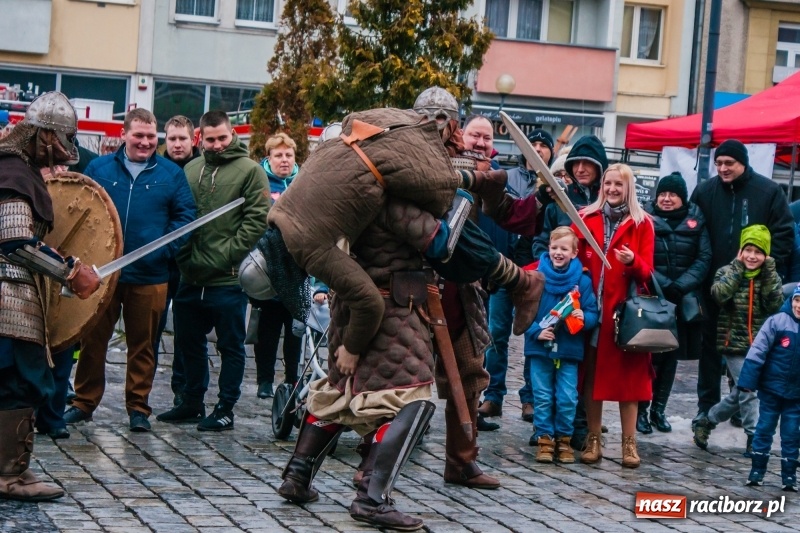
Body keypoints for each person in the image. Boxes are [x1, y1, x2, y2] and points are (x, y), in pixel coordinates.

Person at [64, 108, 196, 432]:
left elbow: (185, 217)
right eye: (139, 135)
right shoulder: (99, 168)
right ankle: (83, 402)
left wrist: (163, 251)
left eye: (151, 136)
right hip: (102, 273)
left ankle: (138, 408)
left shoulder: (170, 174)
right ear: (124, 134)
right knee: (93, 340)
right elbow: (83, 208)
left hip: (151, 276)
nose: (145, 142)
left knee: (143, 344)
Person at [0, 91, 102, 501]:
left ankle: (12, 468)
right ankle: (8, 474)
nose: (64, 148)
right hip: (8, 296)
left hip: (15, 294)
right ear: (43, 135)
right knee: (17, 383)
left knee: (17, 383)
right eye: (61, 138)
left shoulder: (17, 168)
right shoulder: (13, 172)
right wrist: (71, 271)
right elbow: (15, 241)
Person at [157, 111, 269, 431]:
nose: (217, 144)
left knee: (230, 346)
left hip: (228, 278)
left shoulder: (250, 171)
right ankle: (192, 401)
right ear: (201, 139)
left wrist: (227, 255)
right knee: (188, 342)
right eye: (211, 139)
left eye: (222, 138)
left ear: (232, 134)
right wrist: (182, 255)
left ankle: (225, 408)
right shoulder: (191, 169)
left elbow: (256, 221)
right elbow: (179, 215)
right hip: (191, 275)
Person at [691, 139, 794, 427]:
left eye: (729, 163)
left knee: (748, 350)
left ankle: (738, 407)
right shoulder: (705, 191)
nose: (723, 168)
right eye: (719, 163)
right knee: (710, 350)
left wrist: (765, 270)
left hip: (753, 291)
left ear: (743, 163)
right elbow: (693, 233)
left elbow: (784, 235)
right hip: (716, 286)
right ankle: (706, 407)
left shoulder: (768, 191)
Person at [573, 163, 655, 468]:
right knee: (591, 377)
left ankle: (629, 442)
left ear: (628, 188)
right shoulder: (586, 217)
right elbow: (571, 256)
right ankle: (593, 437)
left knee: (629, 381)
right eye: (608, 183)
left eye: (618, 184)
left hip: (626, 315)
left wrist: (633, 262)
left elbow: (648, 273)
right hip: (592, 311)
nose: (612, 189)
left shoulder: (642, 223)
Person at [531, 135, 607, 450]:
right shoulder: (558, 202)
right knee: (543, 357)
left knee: (581, 362)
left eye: (589, 163)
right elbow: (541, 242)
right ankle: (544, 429)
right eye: (577, 163)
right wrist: (546, 268)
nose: (581, 168)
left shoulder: (605, 201)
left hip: (591, 287)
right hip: (556, 287)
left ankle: (578, 426)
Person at [478, 128, 553, 426]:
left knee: (534, 335)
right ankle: (493, 396)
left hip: (535, 271)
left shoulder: (555, 184)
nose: (538, 149)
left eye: (543, 145)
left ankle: (530, 398)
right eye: (533, 144)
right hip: (503, 269)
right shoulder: (506, 178)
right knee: (495, 334)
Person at [693, 225, 784, 455]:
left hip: (762, 345)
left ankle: (707, 421)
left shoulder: (770, 276)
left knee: (741, 392)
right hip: (733, 343)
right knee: (749, 390)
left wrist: (769, 271)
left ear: (766, 255)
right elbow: (720, 295)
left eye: (758, 252)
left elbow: (774, 305)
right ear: (741, 251)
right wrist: (737, 268)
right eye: (748, 250)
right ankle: (754, 437)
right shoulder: (726, 271)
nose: (752, 256)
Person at [638, 173, 711, 434]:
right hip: (653, 298)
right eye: (662, 194)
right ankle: (641, 410)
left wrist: (681, 285)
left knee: (671, 358)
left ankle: (659, 410)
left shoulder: (697, 220)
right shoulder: (644, 219)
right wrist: (664, 284)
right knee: (649, 357)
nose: (666, 199)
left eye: (672, 195)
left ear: (683, 198)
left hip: (682, 300)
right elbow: (641, 257)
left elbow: (704, 258)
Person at [524, 227, 598, 462]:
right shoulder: (536, 277)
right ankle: (545, 440)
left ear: (574, 253)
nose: (558, 252)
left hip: (569, 349)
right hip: (540, 349)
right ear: (548, 248)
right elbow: (523, 312)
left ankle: (564, 440)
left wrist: (583, 318)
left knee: (567, 397)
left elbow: (593, 313)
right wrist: (536, 331)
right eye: (554, 247)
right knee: (542, 396)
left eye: (564, 249)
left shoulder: (582, 281)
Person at [156, 115, 202, 407]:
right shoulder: (157, 167)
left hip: (191, 261)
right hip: (161, 261)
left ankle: (182, 390)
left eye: (182, 138)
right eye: (171, 139)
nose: (176, 144)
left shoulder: (202, 169)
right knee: (153, 328)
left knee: (187, 333)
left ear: (192, 139)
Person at [252, 133, 301, 399]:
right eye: (278, 155)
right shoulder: (259, 182)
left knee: (295, 329)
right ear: (268, 158)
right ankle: (264, 380)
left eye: (288, 155)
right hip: (268, 267)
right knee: (267, 329)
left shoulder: (303, 182)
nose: (284, 160)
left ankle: (293, 379)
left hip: (298, 269)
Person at [738, 283, 800, 490]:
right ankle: (757, 470)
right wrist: (748, 381)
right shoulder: (776, 322)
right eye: (797, 300)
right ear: (791, 300)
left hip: (796, 393)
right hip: (771, 389)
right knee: (764, 428)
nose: (799, 306)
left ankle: (789, 475)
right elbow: (758, 351)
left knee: (791, 434)